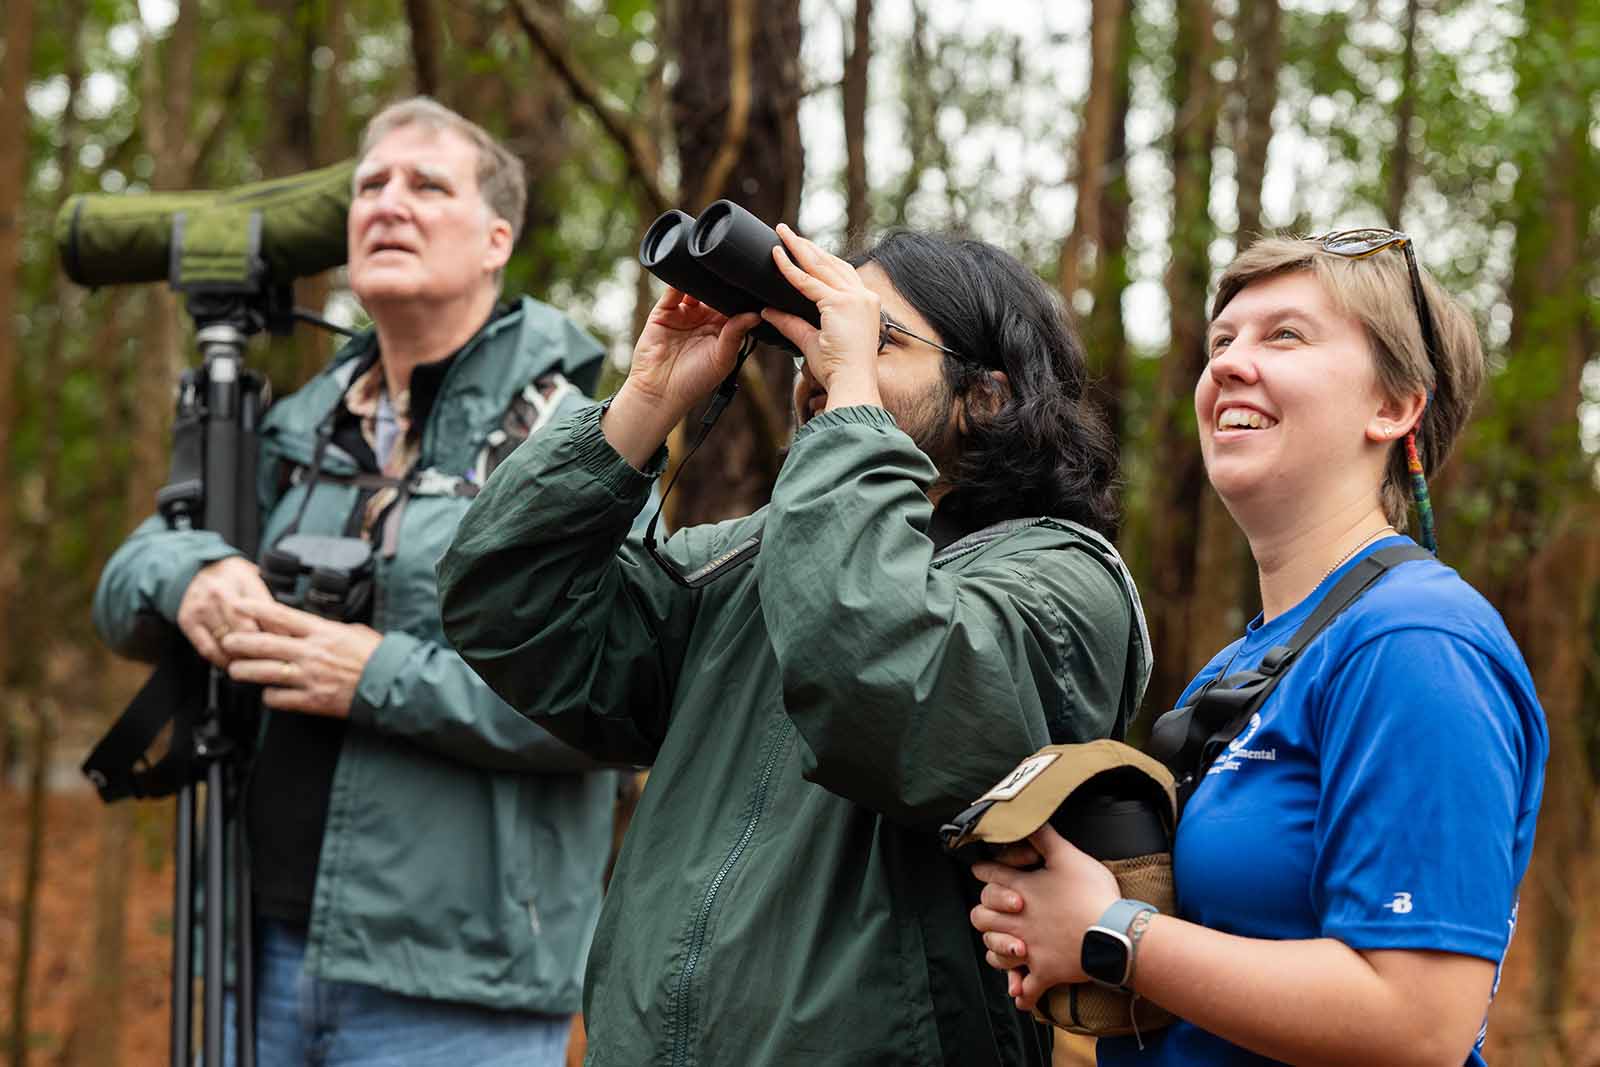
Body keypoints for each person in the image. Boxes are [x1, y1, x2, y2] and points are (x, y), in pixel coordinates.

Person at [437, 226, 1149, 1066]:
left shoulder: (1061, 580)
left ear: (985, 397)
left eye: (871, 336)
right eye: (816, 334)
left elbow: (890, 690)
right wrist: (645, 402)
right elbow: (506, 606)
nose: (819, 361)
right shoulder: (749, 560)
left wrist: (850, 411)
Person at [93, 97, 619, 1065]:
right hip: (254, 953)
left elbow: (615, 697)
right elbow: (127, 575)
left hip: (459, 987)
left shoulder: (576, 443)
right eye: (371, 185)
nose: (389, 202)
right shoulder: (293, 425)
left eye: (427, 185)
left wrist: (376, 675)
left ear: (497, 237)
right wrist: (192, 572)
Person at [969, 231, 1549, 1066]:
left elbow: (1420, 1021)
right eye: (1222, 342)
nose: (1230, 365)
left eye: (1284, 335)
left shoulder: (1416, 640)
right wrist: (1058, 928)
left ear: (1393, 408)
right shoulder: (1238, 667)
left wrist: (1112, 933)